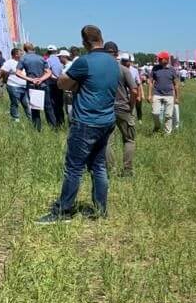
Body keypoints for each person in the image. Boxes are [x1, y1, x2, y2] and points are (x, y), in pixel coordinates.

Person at [36, 25, 120, 224]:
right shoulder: (113, 62)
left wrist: (76, 84)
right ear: (101, 39)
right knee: (98, 166)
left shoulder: (84, 61)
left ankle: (63, 211)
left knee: (74, 168)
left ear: (84, 42)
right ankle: (100, 209)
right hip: (107, 120)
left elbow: (62, 83)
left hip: (86, 121)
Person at [107, 45, 139, 176]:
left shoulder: (99, 70)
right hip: (123, 107)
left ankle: (111, 170)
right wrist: (131, 106)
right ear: (117, 54)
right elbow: (134, 90)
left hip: (106, 108)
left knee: (107, 142)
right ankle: (127, 170)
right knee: (129, 139)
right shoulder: (124, 70)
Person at [16, 42, 53, 131]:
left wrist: (30, 79)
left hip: (32, 85)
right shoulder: (41, 58)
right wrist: (41, 79)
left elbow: (18, 72)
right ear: (33, 48)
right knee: (48, 107)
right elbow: (49, 72)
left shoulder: (23, 59)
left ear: (25, 49)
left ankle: (37, 129)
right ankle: (54, 128)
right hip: (43, 84)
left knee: (35, 109)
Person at [147, 52, 179, 134]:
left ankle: (167, 133)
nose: (159, 60)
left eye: (161, 59)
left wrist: (177, 97)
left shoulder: (172, 69)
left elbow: (176, 84)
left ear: (166, 59)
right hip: (157, 94)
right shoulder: (155, 68)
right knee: (155, 113)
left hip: (169, 95)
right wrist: (149, 95)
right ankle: (157, 126)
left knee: (168, 115)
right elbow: (150, 82)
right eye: (159, 58)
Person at [0, 47, 29, 121]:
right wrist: (5, 79)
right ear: (15, 55)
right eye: (20, 53)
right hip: (13, 86)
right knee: (15, 103)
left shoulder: (23, 62)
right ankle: (15, 119)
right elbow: (2, 71)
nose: (22, 54)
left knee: (27, 103)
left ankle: (31, 119)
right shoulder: (9, 62)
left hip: (24, 86)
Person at [46, 45, 66, 127]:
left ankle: (56, 124)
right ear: (56, 51)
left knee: (53, 105)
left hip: (52, 84)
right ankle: (62, 122)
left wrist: (55, 78)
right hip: (61, 83)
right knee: (60, 104)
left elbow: (48, 73)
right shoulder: (60, 59)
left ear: (48, 52)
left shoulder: (48, 60)